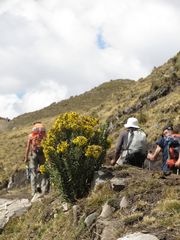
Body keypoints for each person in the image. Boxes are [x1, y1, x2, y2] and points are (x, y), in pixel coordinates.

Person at [24, 122, 49, 197]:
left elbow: (28, 147)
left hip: (33, 155)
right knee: (44, 172)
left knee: (33, 173)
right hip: (43, 154)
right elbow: (47, 144)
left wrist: (26, 158)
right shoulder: (44, 135)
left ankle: (34, 193)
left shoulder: (31, 135)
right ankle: (44, 191)